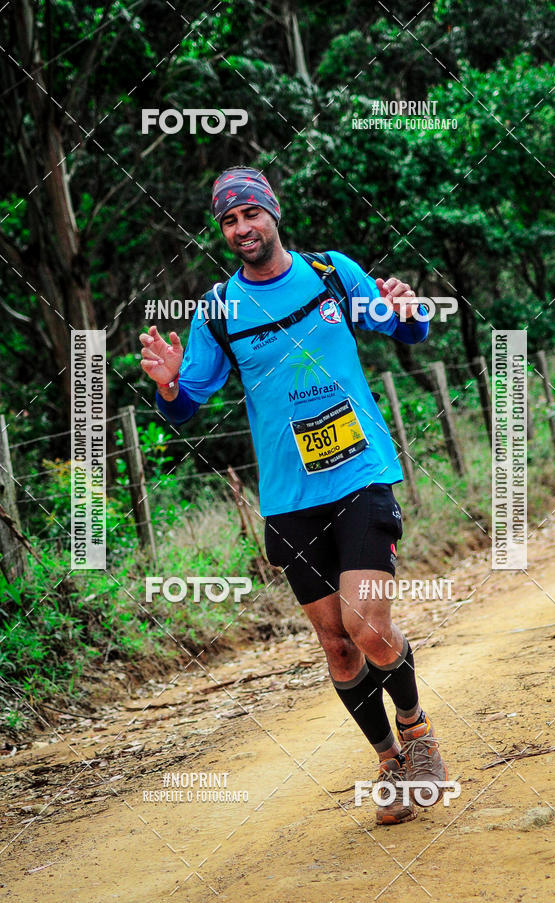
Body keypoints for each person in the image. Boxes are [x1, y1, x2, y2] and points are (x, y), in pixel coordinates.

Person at [139, 166, 447, 825]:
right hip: (287, 499)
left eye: (251, 212)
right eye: (229, 220)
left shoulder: (331, 273)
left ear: (273, 213)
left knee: (369, 625)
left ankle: (418, 733)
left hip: (360, 474)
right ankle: (389, 760)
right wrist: (168, 387)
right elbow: (187, 403)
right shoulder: (219, 310)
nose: (242, 227)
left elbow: (406, 330)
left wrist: (411, 311)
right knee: (337, 644)